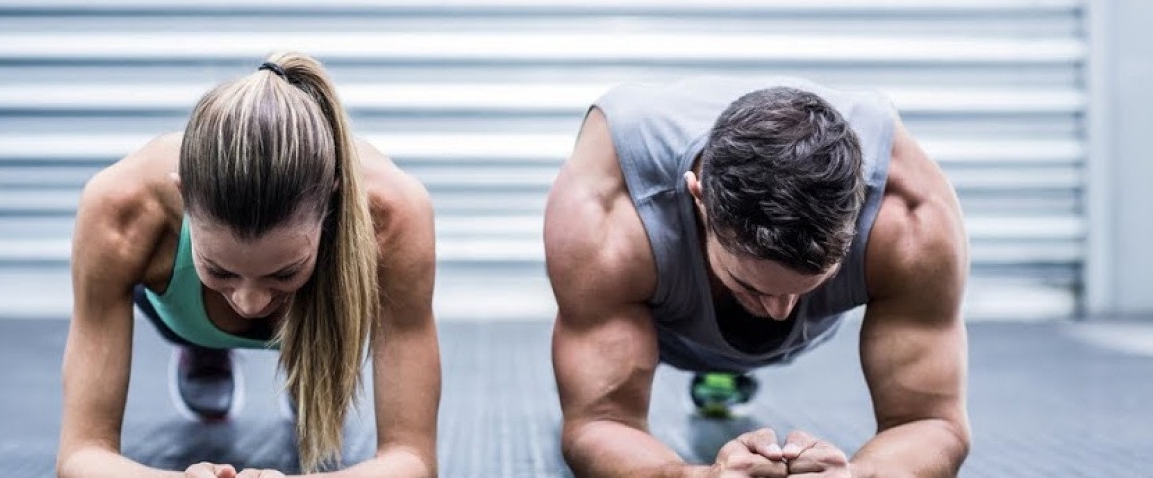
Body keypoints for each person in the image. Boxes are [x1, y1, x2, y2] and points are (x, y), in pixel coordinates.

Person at [544, 76, 970, 477]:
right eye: (752, 286)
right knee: (617, 334)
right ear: (699, 198)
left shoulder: (910, 217)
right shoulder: (608, 213)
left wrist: (862, 475)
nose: (779, 313)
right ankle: (718, 363)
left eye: (810, 282)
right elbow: (600, 421)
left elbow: (931, 420)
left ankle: (733, 335)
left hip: (730, 287)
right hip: (668, 315)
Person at [56, 53, 440, 478]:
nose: (251, 303)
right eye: (220, 270)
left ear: (331, 207)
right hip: (182, 310)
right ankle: (204, 343)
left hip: (324, 306)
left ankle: (306, 357)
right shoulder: (121, 208)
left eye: (284, 272)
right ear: (184, 199)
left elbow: (413, 460)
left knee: (312, 370)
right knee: (214, 294)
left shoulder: (391, 214)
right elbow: (80, 455)